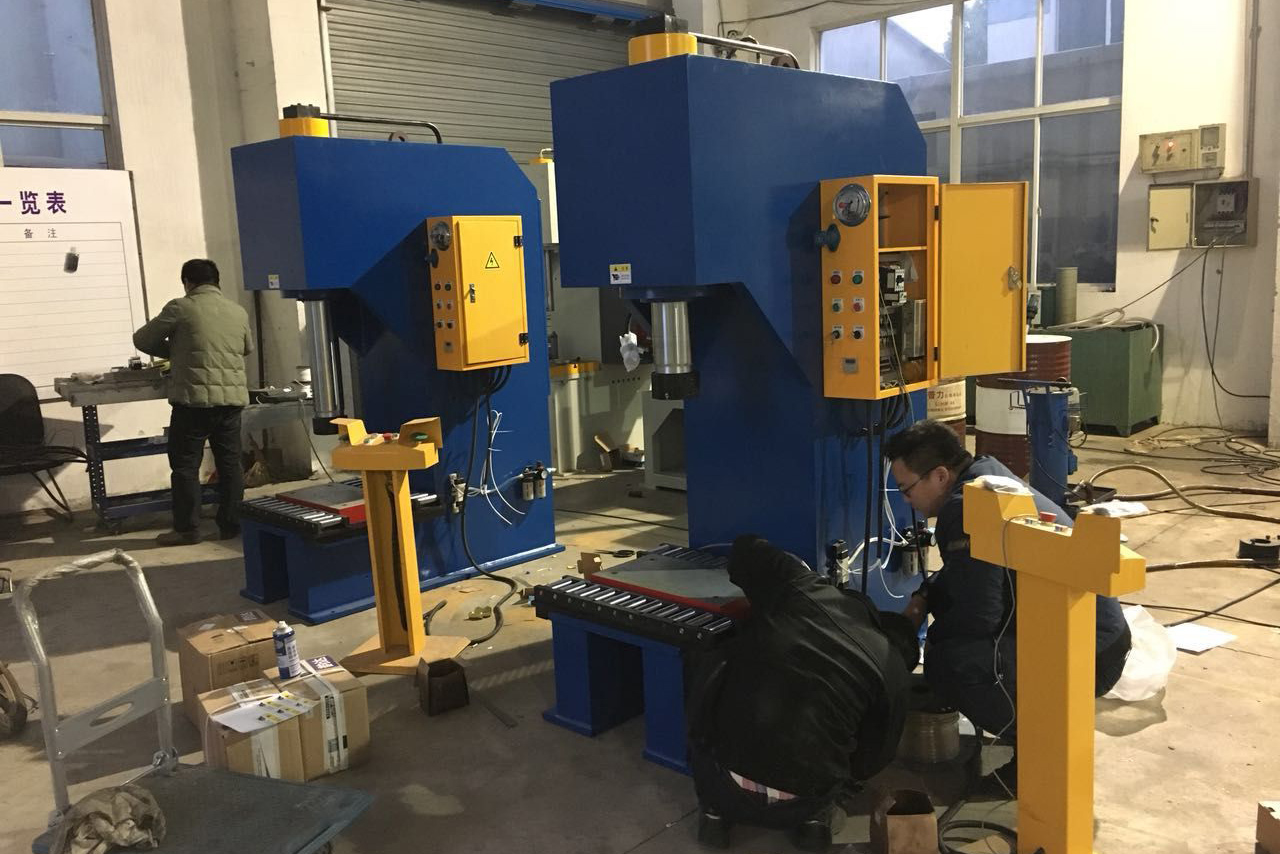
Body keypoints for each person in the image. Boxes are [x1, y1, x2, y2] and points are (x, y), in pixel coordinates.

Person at [884, 419, 1131, 785]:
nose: (906, 500)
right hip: (1101, 637)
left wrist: (931, 640)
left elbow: (980, 615)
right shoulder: (987, 476)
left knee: (951, 662)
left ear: (939, 475)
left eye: (906, 489)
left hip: (1090, 652)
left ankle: (1038, 758)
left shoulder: (964, 508)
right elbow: (968, 573)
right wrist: (924, 596)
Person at [687, 534, 919, 850]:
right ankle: (813, 825)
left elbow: (745, 549)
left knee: (711, 658)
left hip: (721, 782)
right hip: (803, 801)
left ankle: (714, 815)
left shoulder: (803, 589)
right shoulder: (891, 671)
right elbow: (870, 762)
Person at [133, 259, 252, 545]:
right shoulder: (237, 311)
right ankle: (231, 525)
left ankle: (187, 530)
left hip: (193, 403)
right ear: (217, 281)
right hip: (231, 402)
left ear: (188, 282)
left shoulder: (181, 307)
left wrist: (176, 350)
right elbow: (246, 348)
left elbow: (143, 339)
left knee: (185, 465)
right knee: (230, 464)